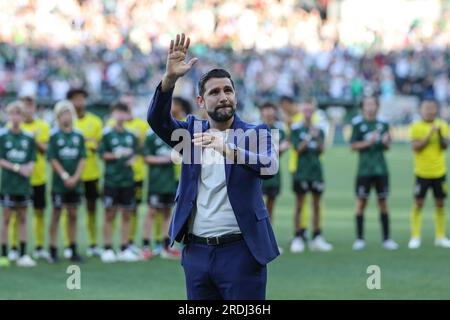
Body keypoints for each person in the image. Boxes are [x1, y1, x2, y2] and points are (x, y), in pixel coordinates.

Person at [147, 33, 279, 300]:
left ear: (236, 96)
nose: (223, 97)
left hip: (241, 251)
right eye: (214, 92)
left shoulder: (256, 133)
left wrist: (225, 147)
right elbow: (157, 120)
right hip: (197, 253)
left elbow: (269, 166)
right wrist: (169, 80)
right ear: (200, 102)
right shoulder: (190, 133)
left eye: (228, 90)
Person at [350, 96, 398, 250]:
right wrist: (368, 142)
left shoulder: (383, 124)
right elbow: (353, 145)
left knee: (383, 203)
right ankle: (359, 239)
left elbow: (387, 147)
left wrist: (386, 142)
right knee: (361, 203)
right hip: (364, 169)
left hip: (381, 169)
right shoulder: (358, 124)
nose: (370, 107)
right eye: (367, 104)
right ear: (363, 106)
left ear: (377, 106)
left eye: (373, 104)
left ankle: (386, 239)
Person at [106, 96, 149, 256]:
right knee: (113, 211)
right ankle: (111, 246)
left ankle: (129, 243)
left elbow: (142, 148)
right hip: (116, 176)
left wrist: (134, 157)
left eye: (130, 104)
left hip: (136, 175)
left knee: (133, 210)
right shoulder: (111, 127)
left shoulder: (140, 126)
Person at [290, 99, 332, 252]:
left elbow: (321, 150)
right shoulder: (296, 129)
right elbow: (297, 150)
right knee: (300, 204)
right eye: (306, 110)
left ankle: (317, 236)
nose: (308, 113)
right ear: (302, 112)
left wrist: (317, 138)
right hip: (301, 171)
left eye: (310, 111)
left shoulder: (319, 130)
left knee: (317, 204)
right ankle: (298, 236)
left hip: (316, 171)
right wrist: (308, 138)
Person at [100, 102, 140, 263]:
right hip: (111, 180)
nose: (121, 116)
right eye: (118, 112)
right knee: (109, 214)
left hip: (127, 180)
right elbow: (102, 154)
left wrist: (132, 158)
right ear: (113, 114)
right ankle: (108, 248)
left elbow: (136, 153)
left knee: (126, 214)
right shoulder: (107, 134)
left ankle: (124, 248)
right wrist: (117, 154)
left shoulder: (131, 135)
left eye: (124, 112)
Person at [47, 100, 86, 263]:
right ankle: (53, 250)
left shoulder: (78, 135)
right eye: (62, 114)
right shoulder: (54, 135)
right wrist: (64, 176)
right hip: (59, 183)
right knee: (56, 214)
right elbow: (52, 158)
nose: (66, 117)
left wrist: (75, 177)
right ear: (58, 117)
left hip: (75, 183)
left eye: (68, 113)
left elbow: (82, 158)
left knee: (73, 214)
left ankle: (72, 248)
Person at [409, 99, 450, 249]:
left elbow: (445, 146)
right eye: (427, 108)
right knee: (418, 203)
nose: (430, 111)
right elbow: (416, 147)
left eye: (432, 108)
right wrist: (429, 134)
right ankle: (415, 236)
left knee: (440, 203)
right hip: (422, 173)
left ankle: (440, 236)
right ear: (421, 110)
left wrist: (438, 134)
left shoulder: (443, 125)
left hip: (439, 172)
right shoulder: (416, 126)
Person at [0, 101, 36, 267]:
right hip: (8, 184)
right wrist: (17, 167)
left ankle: (23, 254)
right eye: (12, 113)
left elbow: (32, 159)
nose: (15, 117)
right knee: (6, 219)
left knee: (22, 217)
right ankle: (4, 254)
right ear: (8, 115)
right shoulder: (3, 135)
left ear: (22, 117)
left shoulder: (28, 138)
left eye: (18, 114)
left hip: (23, 185)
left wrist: (28, 168)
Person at [68, 88, 103, 258]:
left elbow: (97, 146)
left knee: (92, 208)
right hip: (71, 173)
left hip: (91, 173)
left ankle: (92, 242)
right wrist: (87, 142)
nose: (79, 102)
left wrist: (87, 143)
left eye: (82, 98)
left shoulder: (95, 121)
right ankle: (69, 244)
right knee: (69, 210)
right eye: (76, 98)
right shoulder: (66, 121)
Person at [141, 127, 181, 260]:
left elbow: (179, 155)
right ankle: (146, 246)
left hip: (169, 181)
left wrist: (175, 157)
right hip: (155, 181)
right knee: (151, 212)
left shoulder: (173, 133)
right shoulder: (151, 135)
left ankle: (167, 246)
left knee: (167, 212)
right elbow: (146, 157)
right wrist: (164, 160)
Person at [259, 102, 289, 254]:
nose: (269, 114)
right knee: (257, 208)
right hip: (259, 174)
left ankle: (268, 241)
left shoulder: (279, 130)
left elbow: (281, 150)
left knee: (270, 209)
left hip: (274, 174)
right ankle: (258, 240)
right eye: (266, 111)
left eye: (271, 111)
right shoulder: (256, 129)